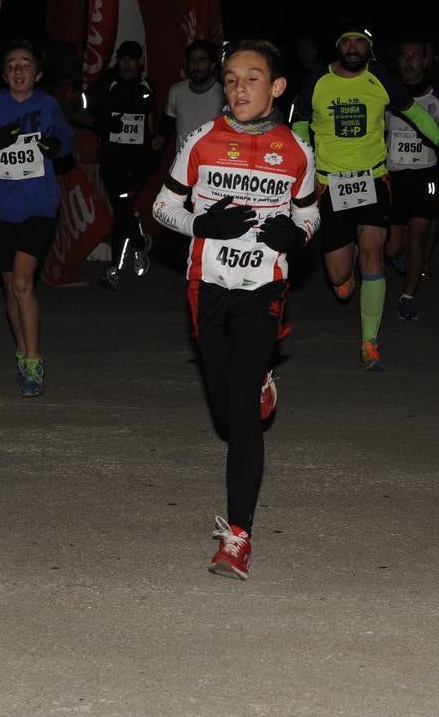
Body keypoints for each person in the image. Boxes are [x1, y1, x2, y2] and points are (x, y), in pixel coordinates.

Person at [152, 38, 319, 580]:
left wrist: (292, 235)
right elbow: (162, 206)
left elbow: (312, 216)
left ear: (276, 87)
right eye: (230, 79)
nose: (238, 88)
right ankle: (260, 385)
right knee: (227, 414)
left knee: (241, 417)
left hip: (263, 292)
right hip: (209, 288)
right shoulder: (201, 139)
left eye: (251, 78)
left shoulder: (297, 150)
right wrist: (203, 225)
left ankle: (238, 537)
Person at [289, 24, 439, 371]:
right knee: (340, 282)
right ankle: (344, 269)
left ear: (369, 47)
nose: (353, 47)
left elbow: (416, 113)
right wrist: (298, 160)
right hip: (330, 185)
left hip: (374, 180)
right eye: (346, 41)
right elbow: (301, 124)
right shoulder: (316, 82)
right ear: (338, 46)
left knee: (374, 254)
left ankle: (370, 343)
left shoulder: (381, 80)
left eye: (359, 42)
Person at [0, 40, 73, 395]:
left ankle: (34, 363)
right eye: (11, 65)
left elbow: (67, 143)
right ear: (4, 74)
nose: (19, 70)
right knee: (10, 286)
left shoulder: (48, 105)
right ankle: (22, 353)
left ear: (37, 73)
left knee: (23, 281)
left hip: (39, 205)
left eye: (26, 64)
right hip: (1, 209)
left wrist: (57, 147)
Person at [383, 39, 439, 321]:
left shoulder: (436, 101)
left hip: (425, 176)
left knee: (418, 236)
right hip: (394, 177)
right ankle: (397, 252)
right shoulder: (386, 97)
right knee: (391, 247)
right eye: (404, 55)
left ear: (425, 62)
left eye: (416, 56)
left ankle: (407, 297)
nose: (409, 61)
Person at [86, 40, 162, 290]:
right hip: (111, 159)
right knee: (123, 208)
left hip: (137, 161)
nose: (128, 63)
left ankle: (113, 271)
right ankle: (140, 242)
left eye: (133, 58)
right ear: (117, 60)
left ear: (140, 62)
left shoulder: (147, 86)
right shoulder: (106, 85)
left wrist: (153, 151)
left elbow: (152, 125)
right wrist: (103, 125)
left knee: (122, 209)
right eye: (123, 58)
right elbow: (82, 113)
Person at [162, 39, 225, 153]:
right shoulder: (176, 91)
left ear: (212, 65)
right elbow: (166, 125)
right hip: (182, 162)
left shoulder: (223, 94)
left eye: (201, 60)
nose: (196, 66)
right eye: (192, 60)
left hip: (211, 162)